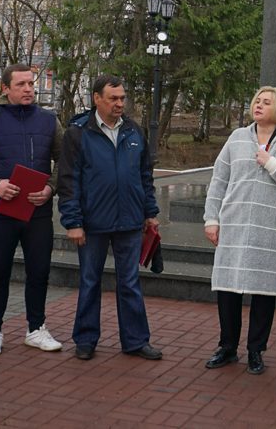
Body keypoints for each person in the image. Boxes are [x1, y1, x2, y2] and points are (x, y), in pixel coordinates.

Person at [203, 87, 276, 375]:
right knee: (228, 287)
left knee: (264, 291)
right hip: (235, 224)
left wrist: (272, 163)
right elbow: (219, 180)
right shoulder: (237, 138)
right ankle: (227, 347)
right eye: (257, 101)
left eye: (266, 102)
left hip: (272, 228)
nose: (258, 106)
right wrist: (211, 218)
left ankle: (255, 350)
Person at [0, 64, 63, 357]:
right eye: (21, 84)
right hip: (0, 210)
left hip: (37, 211)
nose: (29, 89)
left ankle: (36, 328)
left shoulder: (49, 120)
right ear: (5, 89)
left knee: (39, 271)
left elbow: (67, 160)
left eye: (31, 83)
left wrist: (50, 189)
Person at [58, 75, 162, 361]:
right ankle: (86, 339)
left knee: (129, 283)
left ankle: (136, 341)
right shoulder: (78, 133)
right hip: (92, 224)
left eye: (122, 98)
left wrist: (150, 213)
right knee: (90, 282)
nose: (119, 103)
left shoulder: (133, 131)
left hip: (129, 222)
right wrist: (73, 222)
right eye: (113, 98)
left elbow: (145, 176)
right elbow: (68, 182)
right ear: (96, 99)